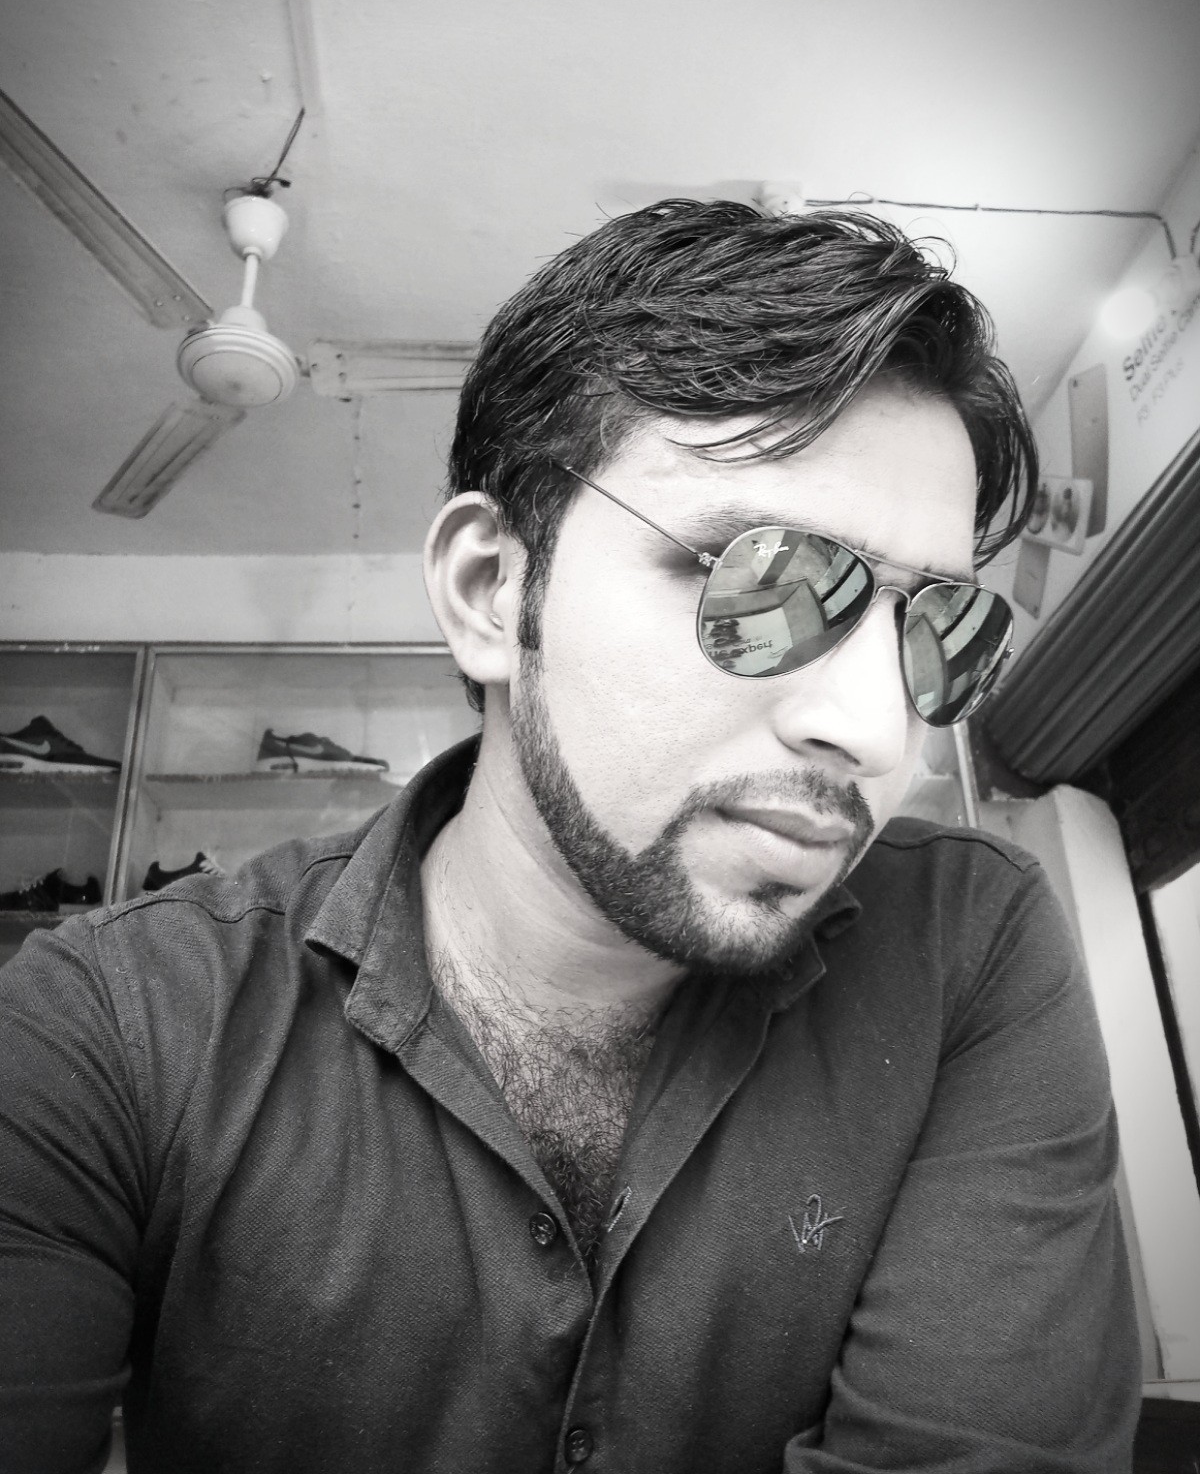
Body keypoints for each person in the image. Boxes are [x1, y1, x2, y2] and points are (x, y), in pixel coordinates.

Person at [0, 202, 1140, 1472]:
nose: (879, 731)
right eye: (763, 581)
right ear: (494, 592)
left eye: (941, 631)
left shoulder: (969, 947)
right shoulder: (111, 1025)